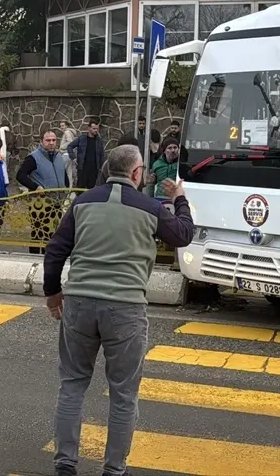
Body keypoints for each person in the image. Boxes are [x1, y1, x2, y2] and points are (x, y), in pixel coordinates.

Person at [43, 145, 195, 476]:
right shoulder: (151, 207)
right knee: (123, 393)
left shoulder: (83, 202)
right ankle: (113, 469)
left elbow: (55, 250)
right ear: (137, 173)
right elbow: (184, 234)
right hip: (125, 309)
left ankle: (65, 464)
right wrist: (180, 198)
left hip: (80, 304)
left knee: (72, 385)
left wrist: (53, 293)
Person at [17, 129, 70, 254]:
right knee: (38, 232)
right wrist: (35, 187)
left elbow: (64, 175)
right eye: (48, 140)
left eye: (53, 140)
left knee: (53, 232)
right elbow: (21, 175)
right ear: (41, 142)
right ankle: (34, 258)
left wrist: (66, 188)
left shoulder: (59, 157)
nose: (51, 143)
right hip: (40, 203)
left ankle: (48, 256)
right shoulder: (33, 158)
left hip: (57, 202)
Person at [67, 120, 105, 189]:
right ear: (89, 128)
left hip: (94, 170)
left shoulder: (99, 141)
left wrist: (101, 168)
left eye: (97, 129)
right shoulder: (82, 139)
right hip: (82, 169)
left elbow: (102, 155)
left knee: (91, 190)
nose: (96, 130)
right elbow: (70, 146)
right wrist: (73, 157)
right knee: (80, 189)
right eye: (94, 129)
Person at [59, 121, 79, 187]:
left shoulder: (67, 132)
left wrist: (61, 147)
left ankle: (65, 187)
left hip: (65, 154)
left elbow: (70, 142)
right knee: (69, 173)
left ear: (66, 126)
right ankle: (70, 187)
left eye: (63, 125)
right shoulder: (70, 132)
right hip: (69, 155)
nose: (61, 127)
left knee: (64, 172)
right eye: (60, 126)